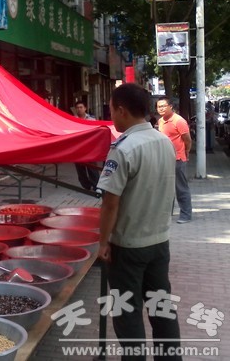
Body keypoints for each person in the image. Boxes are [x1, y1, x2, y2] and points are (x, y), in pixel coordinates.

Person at [97, 83, 182, 360]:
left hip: (128, 247)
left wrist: (103, 243)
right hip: (159, 243)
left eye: (111, 110)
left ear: (122, 110)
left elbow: (110, 203)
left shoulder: (124, 148)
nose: (111, 115)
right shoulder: (164, 142)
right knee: (161, 308)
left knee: (127, 312)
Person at [157, 97, 193, 223]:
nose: (161, 109)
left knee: (180, 188)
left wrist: (186, 152)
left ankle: (186, 215)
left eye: (163, 106)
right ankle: (167, 214)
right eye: (159, 106)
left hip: (178, 159)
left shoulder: (179, 121)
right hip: (164, 159)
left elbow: (187, 140)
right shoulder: (160, 121)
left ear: (170, 106)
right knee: (166, 188)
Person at [73, 101, 101, 191]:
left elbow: (97, 132)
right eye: (77, 108)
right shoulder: (72, 120)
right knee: (80, 168)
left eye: (81, 107)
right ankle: (86, 186)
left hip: (89, 147)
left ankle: (96, 185)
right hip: (77, 147)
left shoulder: (92, 120)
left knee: (92, 167)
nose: (79, 109)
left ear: (85, 108)